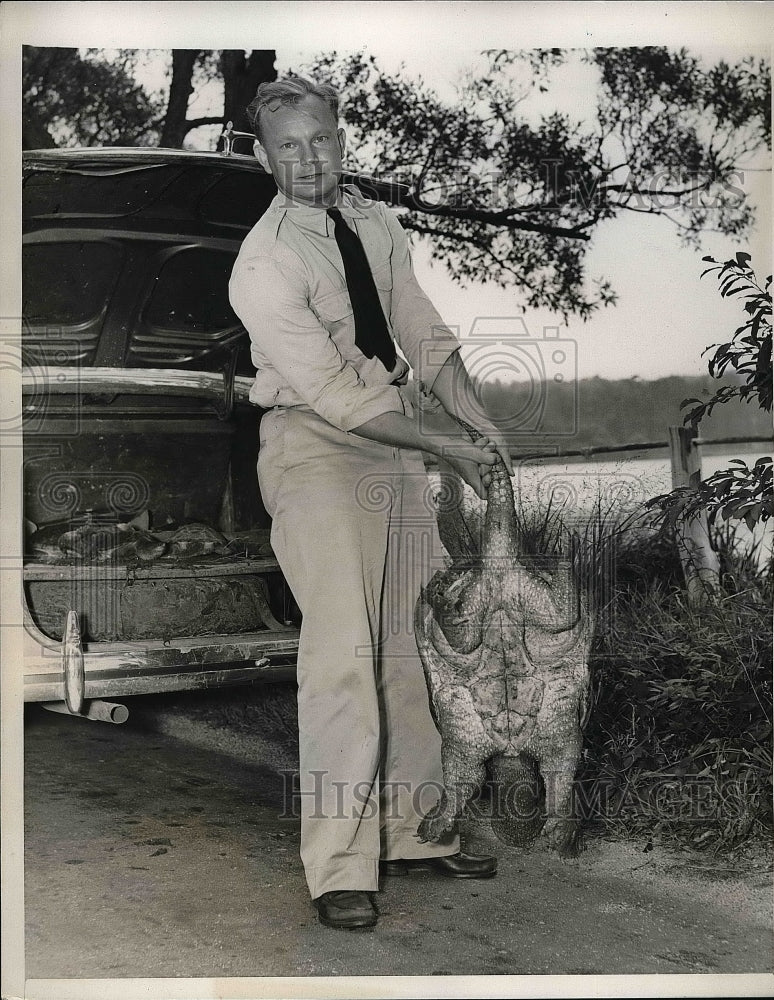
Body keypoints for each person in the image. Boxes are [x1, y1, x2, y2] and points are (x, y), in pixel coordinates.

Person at [229, 75, 513, 931]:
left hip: (390, 446)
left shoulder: (374, 223)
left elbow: (420, 329)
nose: (307, 160)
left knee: (409, 646)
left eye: (319, 139)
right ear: (261, 154)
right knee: (343, 656)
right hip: (314, 445)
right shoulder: (264, 262)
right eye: (287, 146)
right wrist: (444, 448)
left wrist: (479, 426)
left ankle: (417, 831)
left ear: (340, 137)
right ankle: (339, 865)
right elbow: (331, 392)